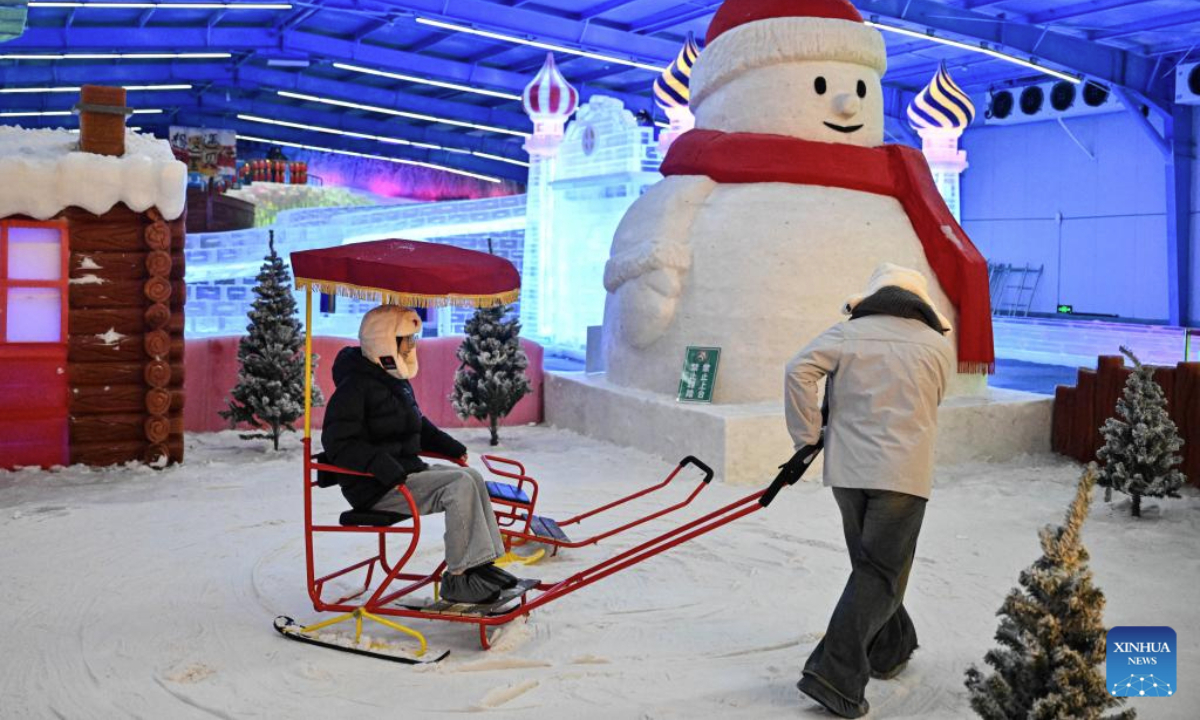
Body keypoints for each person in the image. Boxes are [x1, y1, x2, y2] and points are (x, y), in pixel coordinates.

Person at [784, 264, 954, 719]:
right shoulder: (937, 345)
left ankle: (890, 648)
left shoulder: (848, 334)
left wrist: (807, 436)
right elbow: (934, 401)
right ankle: (834, 677)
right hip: (903, 474)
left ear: (874, 297)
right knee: (880, 572)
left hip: (848, 472)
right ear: (920, 303)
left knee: (871, 567)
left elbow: (798, 370)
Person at [321, 304, 522, 605]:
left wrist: (451, 448)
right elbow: (339, 442)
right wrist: (382, 466)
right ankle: (460, 577)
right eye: (406, 339)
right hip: (376, 487)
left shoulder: (392, 381)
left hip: (403, 474)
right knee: (458, 486)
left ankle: (480, 566)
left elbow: (418, 425)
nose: (411, 346)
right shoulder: (355, 388)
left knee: (471, 476)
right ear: (384, 341)